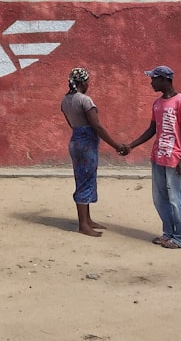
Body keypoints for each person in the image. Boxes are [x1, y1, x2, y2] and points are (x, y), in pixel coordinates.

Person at [124, 65, 181, 249]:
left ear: (165, 80)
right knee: (160, 198)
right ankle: (168, 233)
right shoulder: (157, 104)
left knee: (176, 198)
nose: (151, 82)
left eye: (154, 79)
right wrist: (131, 145)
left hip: (175, 159)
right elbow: (152, 129)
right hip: (159, 157)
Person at [60, 67, 127, 237]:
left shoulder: (65, 100)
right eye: (87, 81)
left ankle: (87, 219)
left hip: (75, 141)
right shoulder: (85, 100)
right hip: (86, 144)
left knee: (83, 178)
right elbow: (96, 126)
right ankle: (83, 224)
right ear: (83, 82)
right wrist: (116, 145)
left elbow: (71, 124)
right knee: (85, 180)